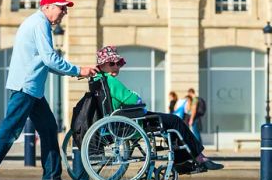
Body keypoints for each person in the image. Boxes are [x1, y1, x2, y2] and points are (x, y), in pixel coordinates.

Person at [0, 0, 99, 180]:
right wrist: (78, 70)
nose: (64, 12)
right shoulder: (41, 23)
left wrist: (74, 72)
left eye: (65, 8)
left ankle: (52, 177)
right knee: (10, 131)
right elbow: (49, 59)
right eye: (61, 7)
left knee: (48, 128)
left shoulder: (36, 22)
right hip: (26, 87)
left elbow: (44, 63)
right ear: (46, 6)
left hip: (32, 88)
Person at [93, 46, 222, 171]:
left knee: (171, 123)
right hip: (132, 121)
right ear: (102, 65)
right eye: (111, 63)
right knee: (175, 121)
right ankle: (198, 158)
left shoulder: (98, 80)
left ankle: (182, 161)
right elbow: (132, 100)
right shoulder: (110, 80)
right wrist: (137, 96)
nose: (116, 67)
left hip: (122, 120)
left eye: (118, 63)